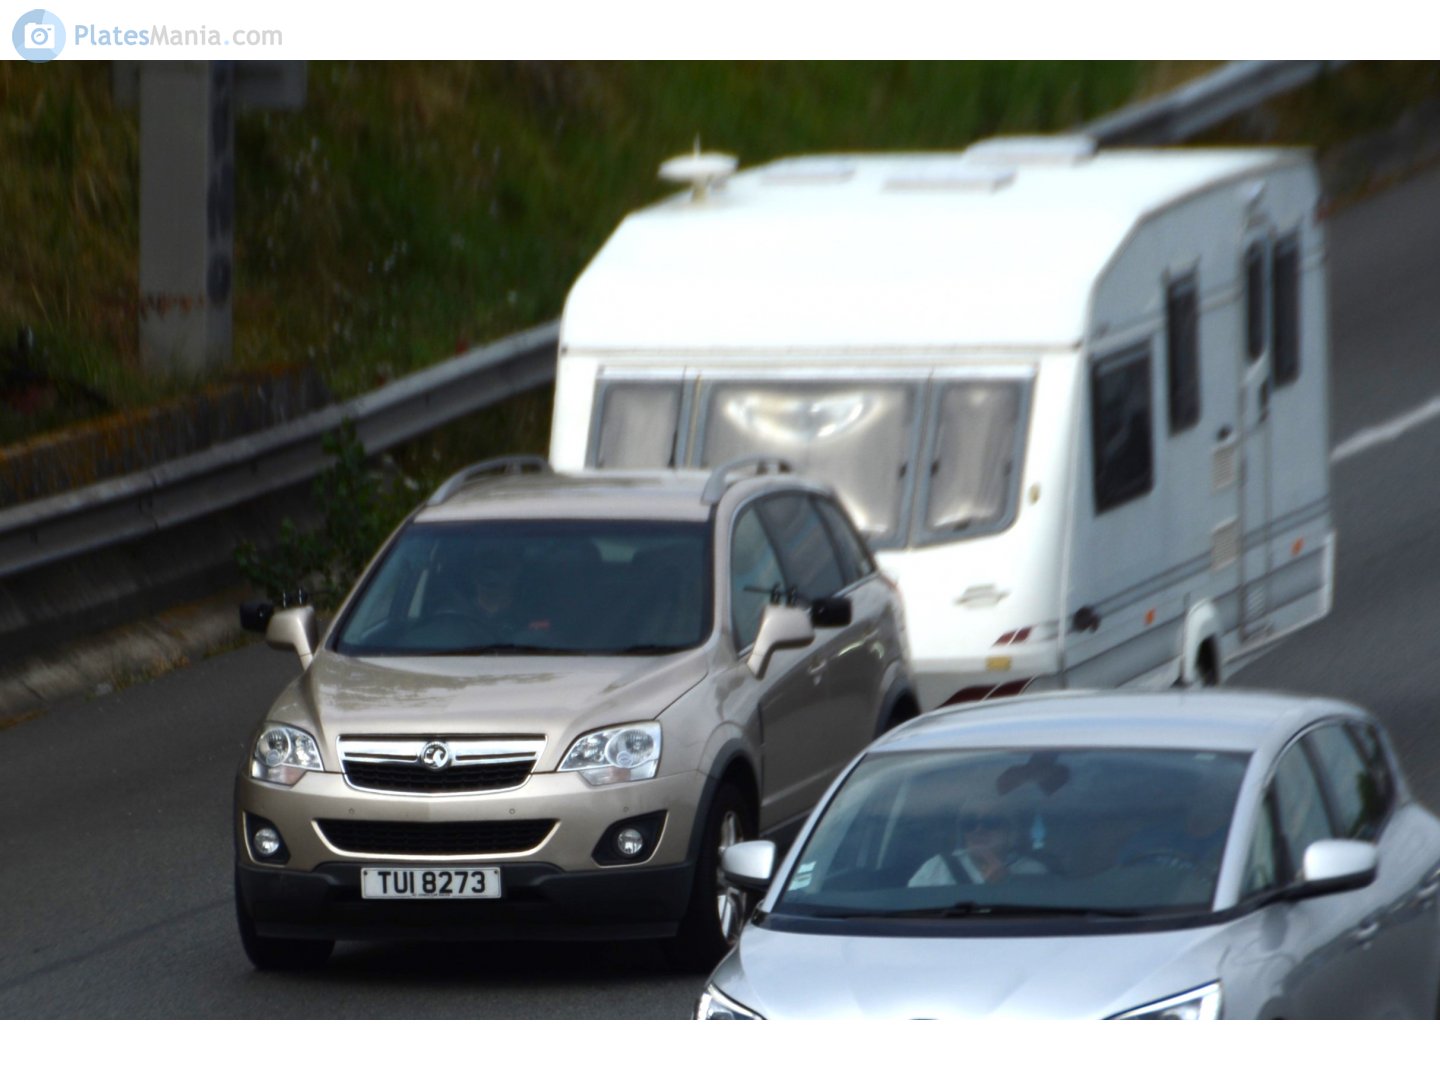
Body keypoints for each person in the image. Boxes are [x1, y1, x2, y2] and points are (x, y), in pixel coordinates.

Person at [908, 801, 1047, 886]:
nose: (978, 830)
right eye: (970, 823)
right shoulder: (936, 868)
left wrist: (1007, 885)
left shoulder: (1034, 872)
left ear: (1010, 831)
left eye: (991, 821)